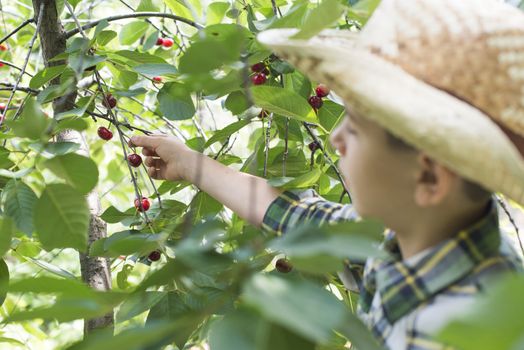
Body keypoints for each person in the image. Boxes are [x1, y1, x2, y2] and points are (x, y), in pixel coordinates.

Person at [129, 0, 524, 348]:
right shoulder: (403, 237)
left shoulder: (472, 328)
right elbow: (288, 210)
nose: (336, 137)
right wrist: (189, 163)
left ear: (429, 179)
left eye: (355, 127)